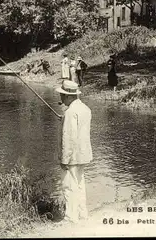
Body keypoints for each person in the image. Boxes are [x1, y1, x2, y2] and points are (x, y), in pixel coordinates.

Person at [55, 80, 93, 223]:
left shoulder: (70, 112)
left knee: (69, 186)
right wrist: (64, 119)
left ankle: (71, 218)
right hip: (83, 155)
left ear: (69, 96)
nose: (61, 98)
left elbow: (69, 138)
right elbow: (79, 130)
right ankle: (83, 215)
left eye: (63, 95)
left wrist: (64, 159)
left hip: (72, 157)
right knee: (79, 184)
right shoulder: (85, 108)